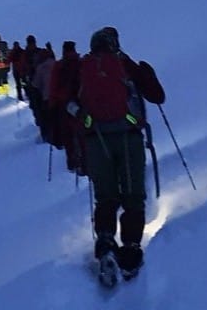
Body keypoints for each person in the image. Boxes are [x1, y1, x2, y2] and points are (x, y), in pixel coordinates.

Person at [67, 26, 165, 280]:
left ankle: (106, 244)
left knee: (106, 196)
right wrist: (147, 73)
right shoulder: (125, 64)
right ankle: (130, 250)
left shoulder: (82, 67)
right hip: (128, 137)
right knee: (132, 195)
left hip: (96, 139)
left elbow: (67, 102)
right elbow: (157, 96)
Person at [48, 41, 84, 172]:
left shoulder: (59, 66)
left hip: (64, 104)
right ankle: (85, 164)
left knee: (68, 135)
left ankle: (72, 162)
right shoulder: (81, 63)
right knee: (81, 133)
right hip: (81, 103)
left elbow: (53, 86)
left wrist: (52, 105)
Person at [32, 49, 56, 142]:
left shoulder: (41, 67)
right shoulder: (57, 64)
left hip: (46, 98)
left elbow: (36, 84)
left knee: (47, 119)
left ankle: (48, 138)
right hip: (59, 98)